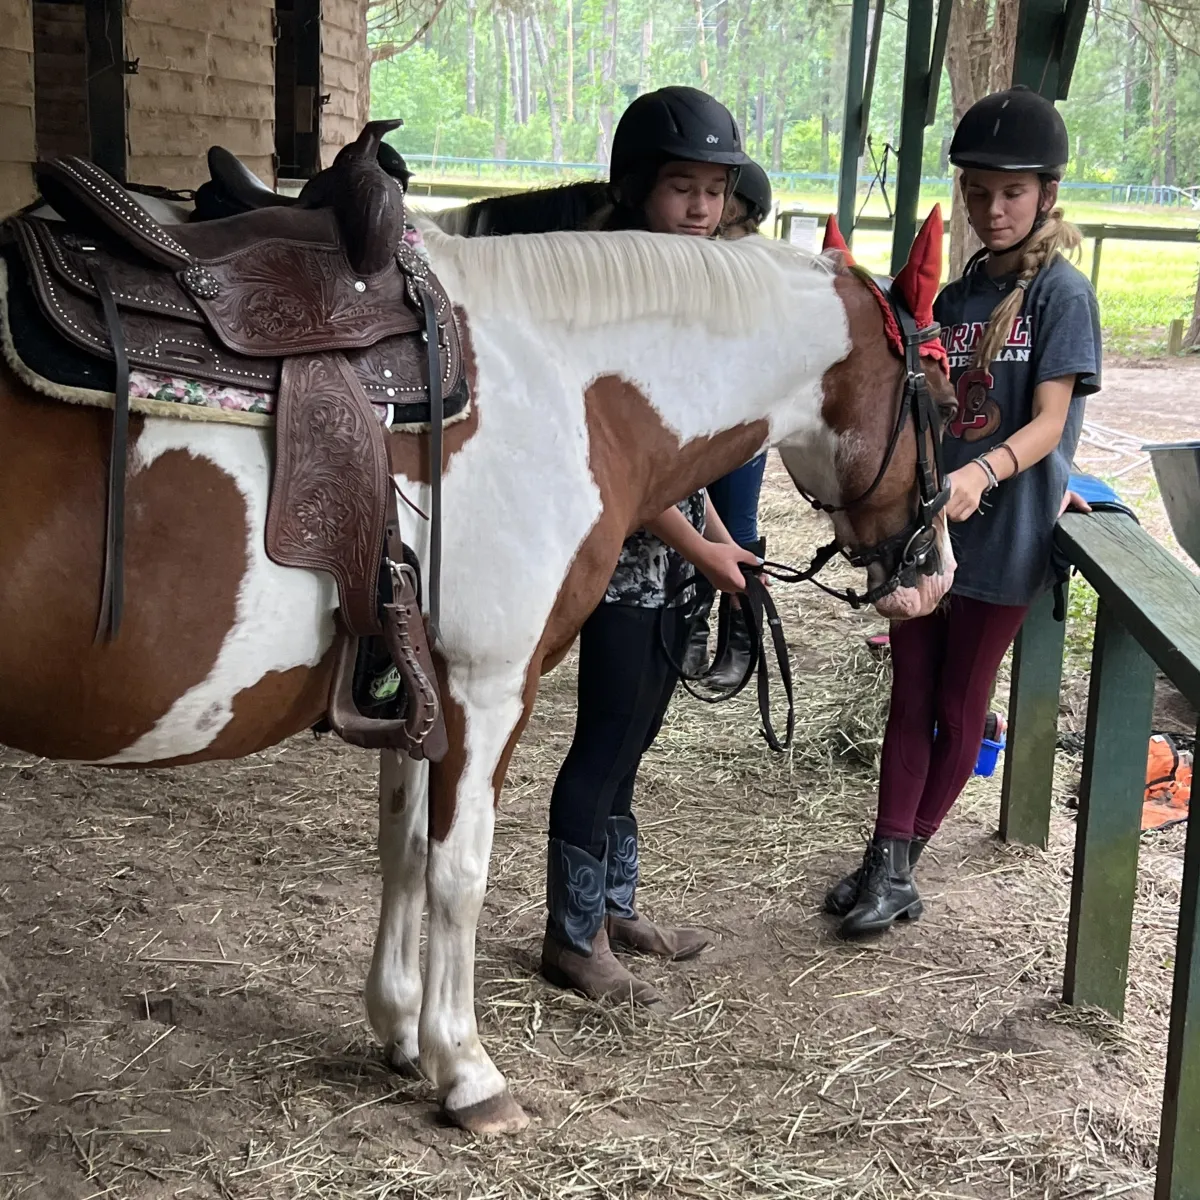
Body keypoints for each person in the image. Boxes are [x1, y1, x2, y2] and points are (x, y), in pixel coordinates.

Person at [824, 85, 1102, 939]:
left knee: (957, 700)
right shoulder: (960, 292)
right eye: (978, 191)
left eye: (1011, 192)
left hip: (1007, 532)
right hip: (929, 527)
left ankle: (907, 861)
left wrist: (982, 474)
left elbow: (1052, 421)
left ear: (1046, 195)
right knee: (909, 694)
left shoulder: (1062, 296)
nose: (992, 208)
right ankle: (884, 854)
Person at [541, 87, 761, 1005]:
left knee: (641, 732)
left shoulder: (693, 303)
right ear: (638, 191)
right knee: (604, 734)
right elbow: (630, 470)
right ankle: (569, 932)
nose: (702, 208)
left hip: (677, 555)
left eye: (714, 189)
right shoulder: (615, 304)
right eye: (682, 187)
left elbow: (692, 457)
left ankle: (615, 904)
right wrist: (702, 546)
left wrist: (718, 539)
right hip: (624, 553)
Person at [682, 157, 774, 688]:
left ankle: (741, 634)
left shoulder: (751, 269)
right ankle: (696, 625)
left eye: (724, 201)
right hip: (700, 414)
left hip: (741, 416)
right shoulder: (693, 263)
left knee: (735, 522)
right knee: (704, 511)